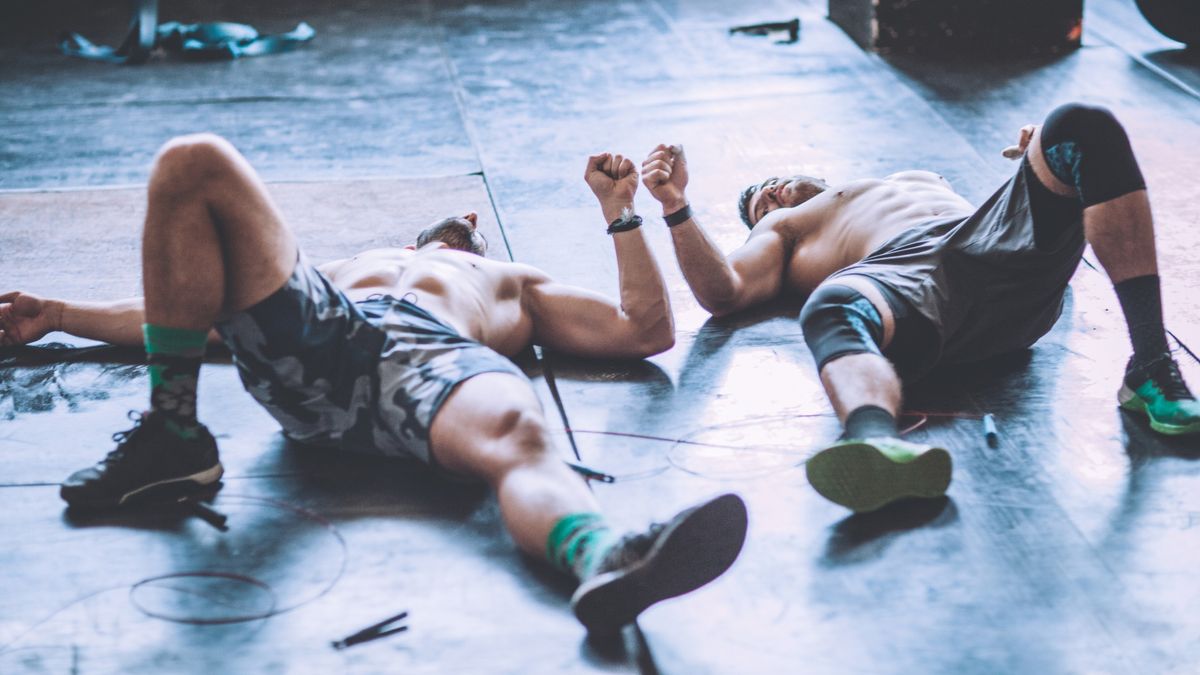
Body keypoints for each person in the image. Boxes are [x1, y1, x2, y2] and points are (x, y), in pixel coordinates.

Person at [0, 134, 748, 634]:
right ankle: (173, 435)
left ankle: (598, 557)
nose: (457, 229)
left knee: (520, 435)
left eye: (465, 230)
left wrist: (620, 214)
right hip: (326, 338)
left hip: (435, 365)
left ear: (470, 239)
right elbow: (188, 314)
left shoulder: (510, 278)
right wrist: (61, 314)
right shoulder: (344, 267)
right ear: (426, 234)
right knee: (193, 161)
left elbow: (644, 330)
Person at [639, 102, 1200, 514]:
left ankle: (1151, 365)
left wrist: (1042, 162)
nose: (778, 191)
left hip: (996, 256)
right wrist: (676, 205)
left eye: (779, 182)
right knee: (831, 305)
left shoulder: (911, 180)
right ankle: (874, 440)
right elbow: (724, 291)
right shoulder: (786, 229)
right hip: (914, 282)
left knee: (1079, 126)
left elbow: (1007, 221)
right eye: (763, 198)